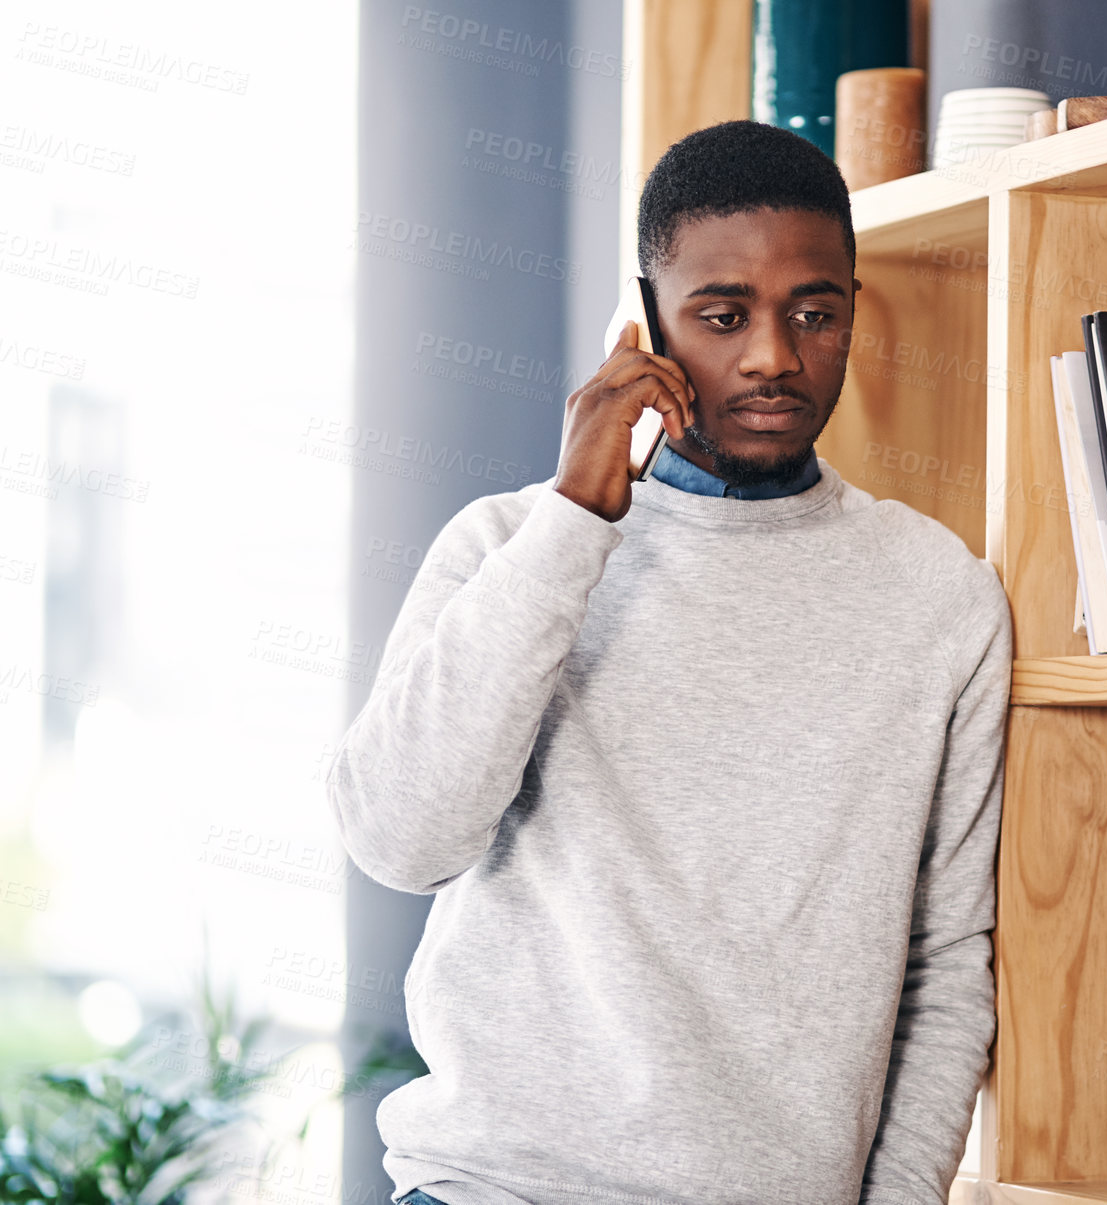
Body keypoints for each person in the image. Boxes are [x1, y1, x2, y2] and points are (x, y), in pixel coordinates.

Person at [326, 119, 1013, 1205]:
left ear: (850, 315)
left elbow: (945, 969)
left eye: (812, 313)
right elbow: (400, 837)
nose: (772, 355)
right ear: (643, 321)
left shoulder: (941, 595)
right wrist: (576, 516)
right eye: (721, 313)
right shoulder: (508, 547)